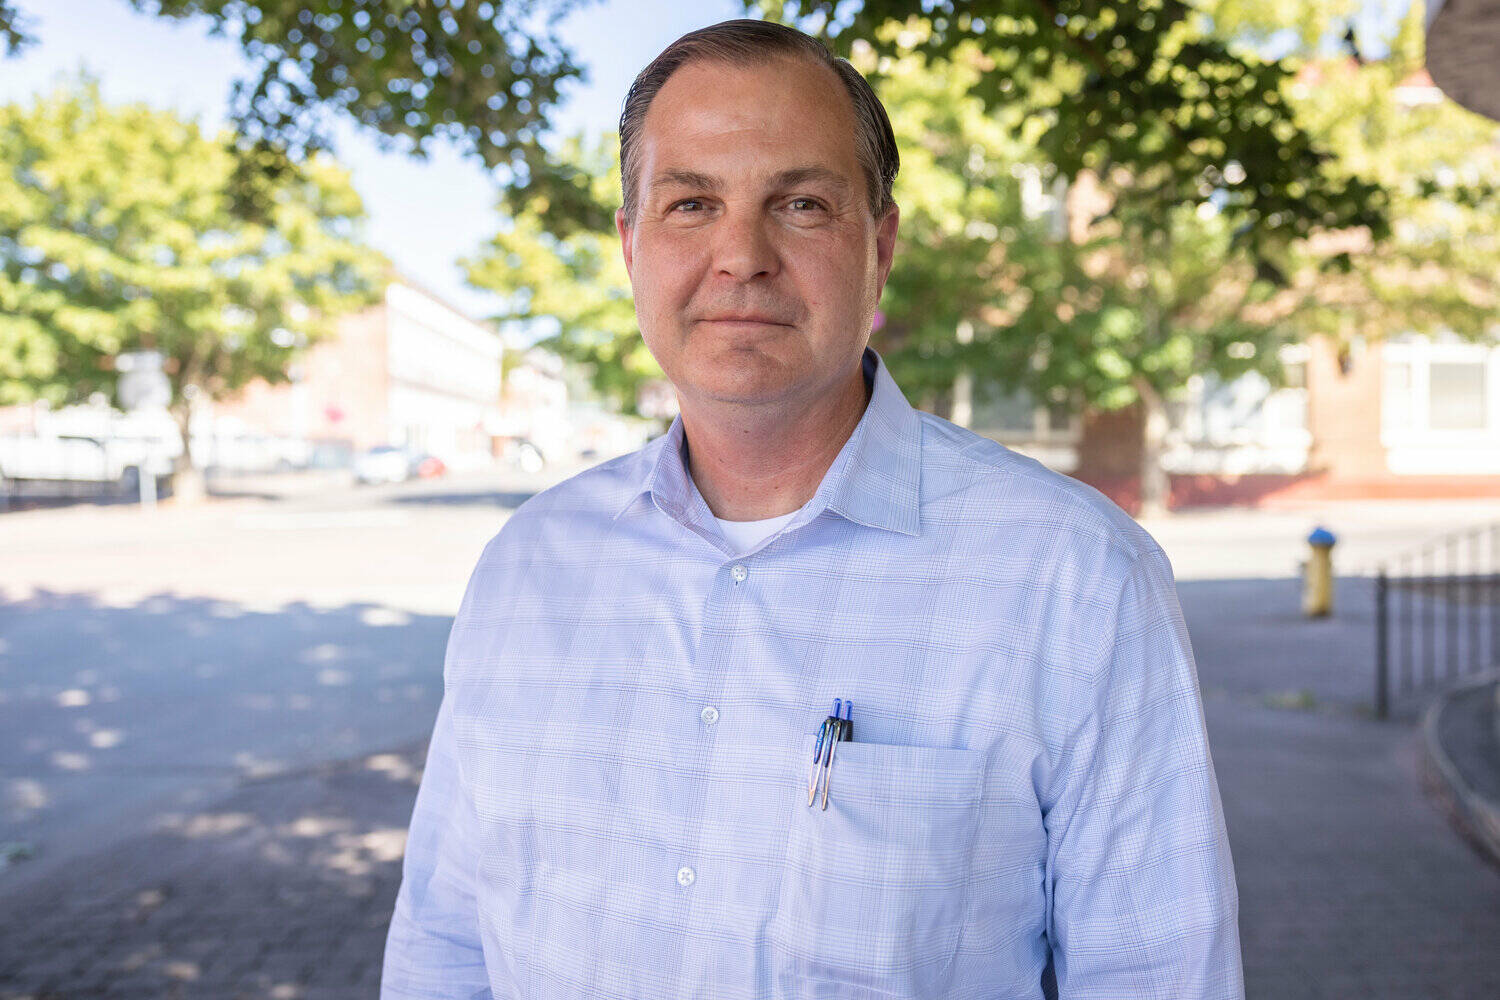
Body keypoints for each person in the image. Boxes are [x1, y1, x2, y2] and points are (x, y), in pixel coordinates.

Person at [382, 18, 1243, 1000]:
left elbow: (1157, 978)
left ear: (879, 248)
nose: (740, 255)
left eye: (798, 203)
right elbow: (443, 952)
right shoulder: (523, 570)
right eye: (691, 202)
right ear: (631, 248)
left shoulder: (1077, 579)